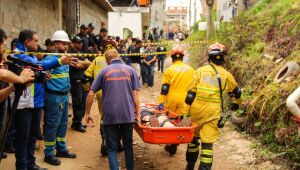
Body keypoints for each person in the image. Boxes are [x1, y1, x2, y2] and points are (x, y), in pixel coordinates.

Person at [11, 29, 71, 170]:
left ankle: (31, 163)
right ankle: (22, 166)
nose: (38, 44)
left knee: (32, 135)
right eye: (36, 40)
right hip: (24, 102)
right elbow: (38, 66)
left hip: (36, 101)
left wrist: (43, 76)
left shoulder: (30, 55)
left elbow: (37, 71)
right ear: (27, 41)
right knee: (23, 137)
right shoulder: (18, 55)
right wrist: (58, 61)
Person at [182, 43, 242, 170]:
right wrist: (236, 105)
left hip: (196, 112)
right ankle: (204, 168)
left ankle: (190, 165)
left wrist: (185, 113)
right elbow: (238, 93)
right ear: (222, 58)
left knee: (193, 140)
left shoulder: (199, 72)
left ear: (209, 58)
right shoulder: (227, 75)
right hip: (212, 114)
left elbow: (190, 95)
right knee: (207, 145)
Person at [85, 49, 141, 170]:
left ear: (106, 60)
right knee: (128, 146)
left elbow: (90, 93)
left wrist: (87, 113)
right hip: (127, 115)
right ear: (119, 57)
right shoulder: (130, 70)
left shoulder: (103, 71)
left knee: (111, 148)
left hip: (110, 116)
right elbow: (135, 94)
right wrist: (138, 113)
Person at [0, 29, 35, 159]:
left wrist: (14, 86)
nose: (5, 47)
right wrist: (20, 79)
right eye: (4, 44)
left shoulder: (4, 60)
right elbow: (2, 74)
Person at [157, 47, 194, 155]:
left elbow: (165, 88)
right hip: (185, 99)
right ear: (182, 57)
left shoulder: (169, 70)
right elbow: (193, 88)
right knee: (179, 121)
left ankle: (171, 142)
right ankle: (174, 143)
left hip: (171, 98)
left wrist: (160, 102)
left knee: (171, 121)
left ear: (172, 58)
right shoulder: (190, 70)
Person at [69, 36, 91, 133]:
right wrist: (84, 64)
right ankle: (77, 123)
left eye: (81, 42)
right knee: (77, 103)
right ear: (73, 43)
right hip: (75, 81)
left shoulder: (81, 53)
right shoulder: (70, 53)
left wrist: (83, 63)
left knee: (82, 103)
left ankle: (77, 122)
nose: (80, 44)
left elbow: (89, 63)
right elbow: (76, 65)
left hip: (82, 81)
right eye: (78, 43)